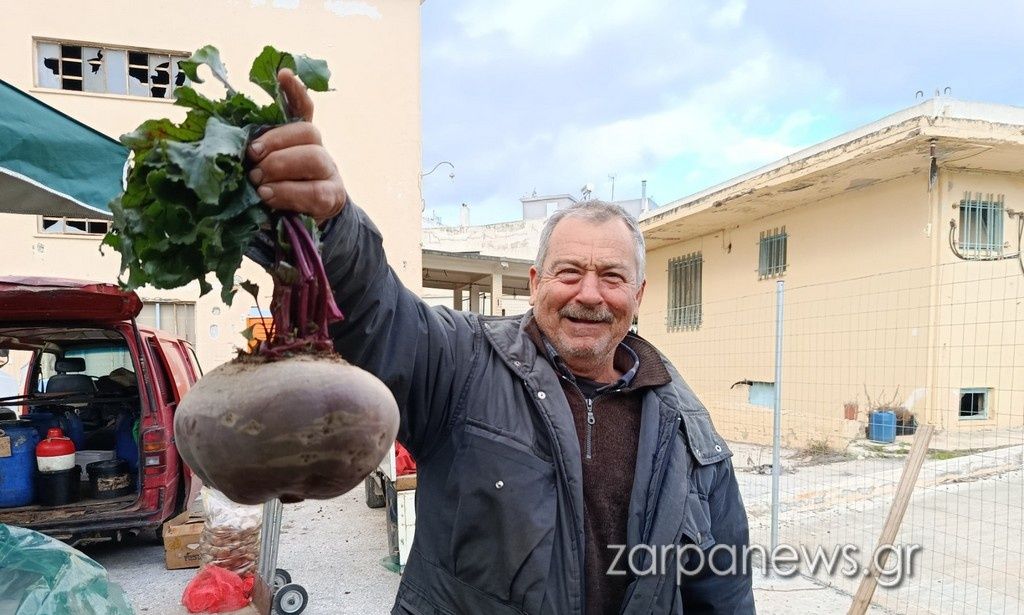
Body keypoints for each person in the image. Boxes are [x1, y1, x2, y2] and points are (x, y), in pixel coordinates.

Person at [246, 69, 755, 614]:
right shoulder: (464, 364)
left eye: (611, 276)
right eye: (567, 272)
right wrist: (332, 225)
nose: (590, 294)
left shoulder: (688, 429)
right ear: (534, 284)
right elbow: (378, 311)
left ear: (639, 294)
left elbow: (722, 589)